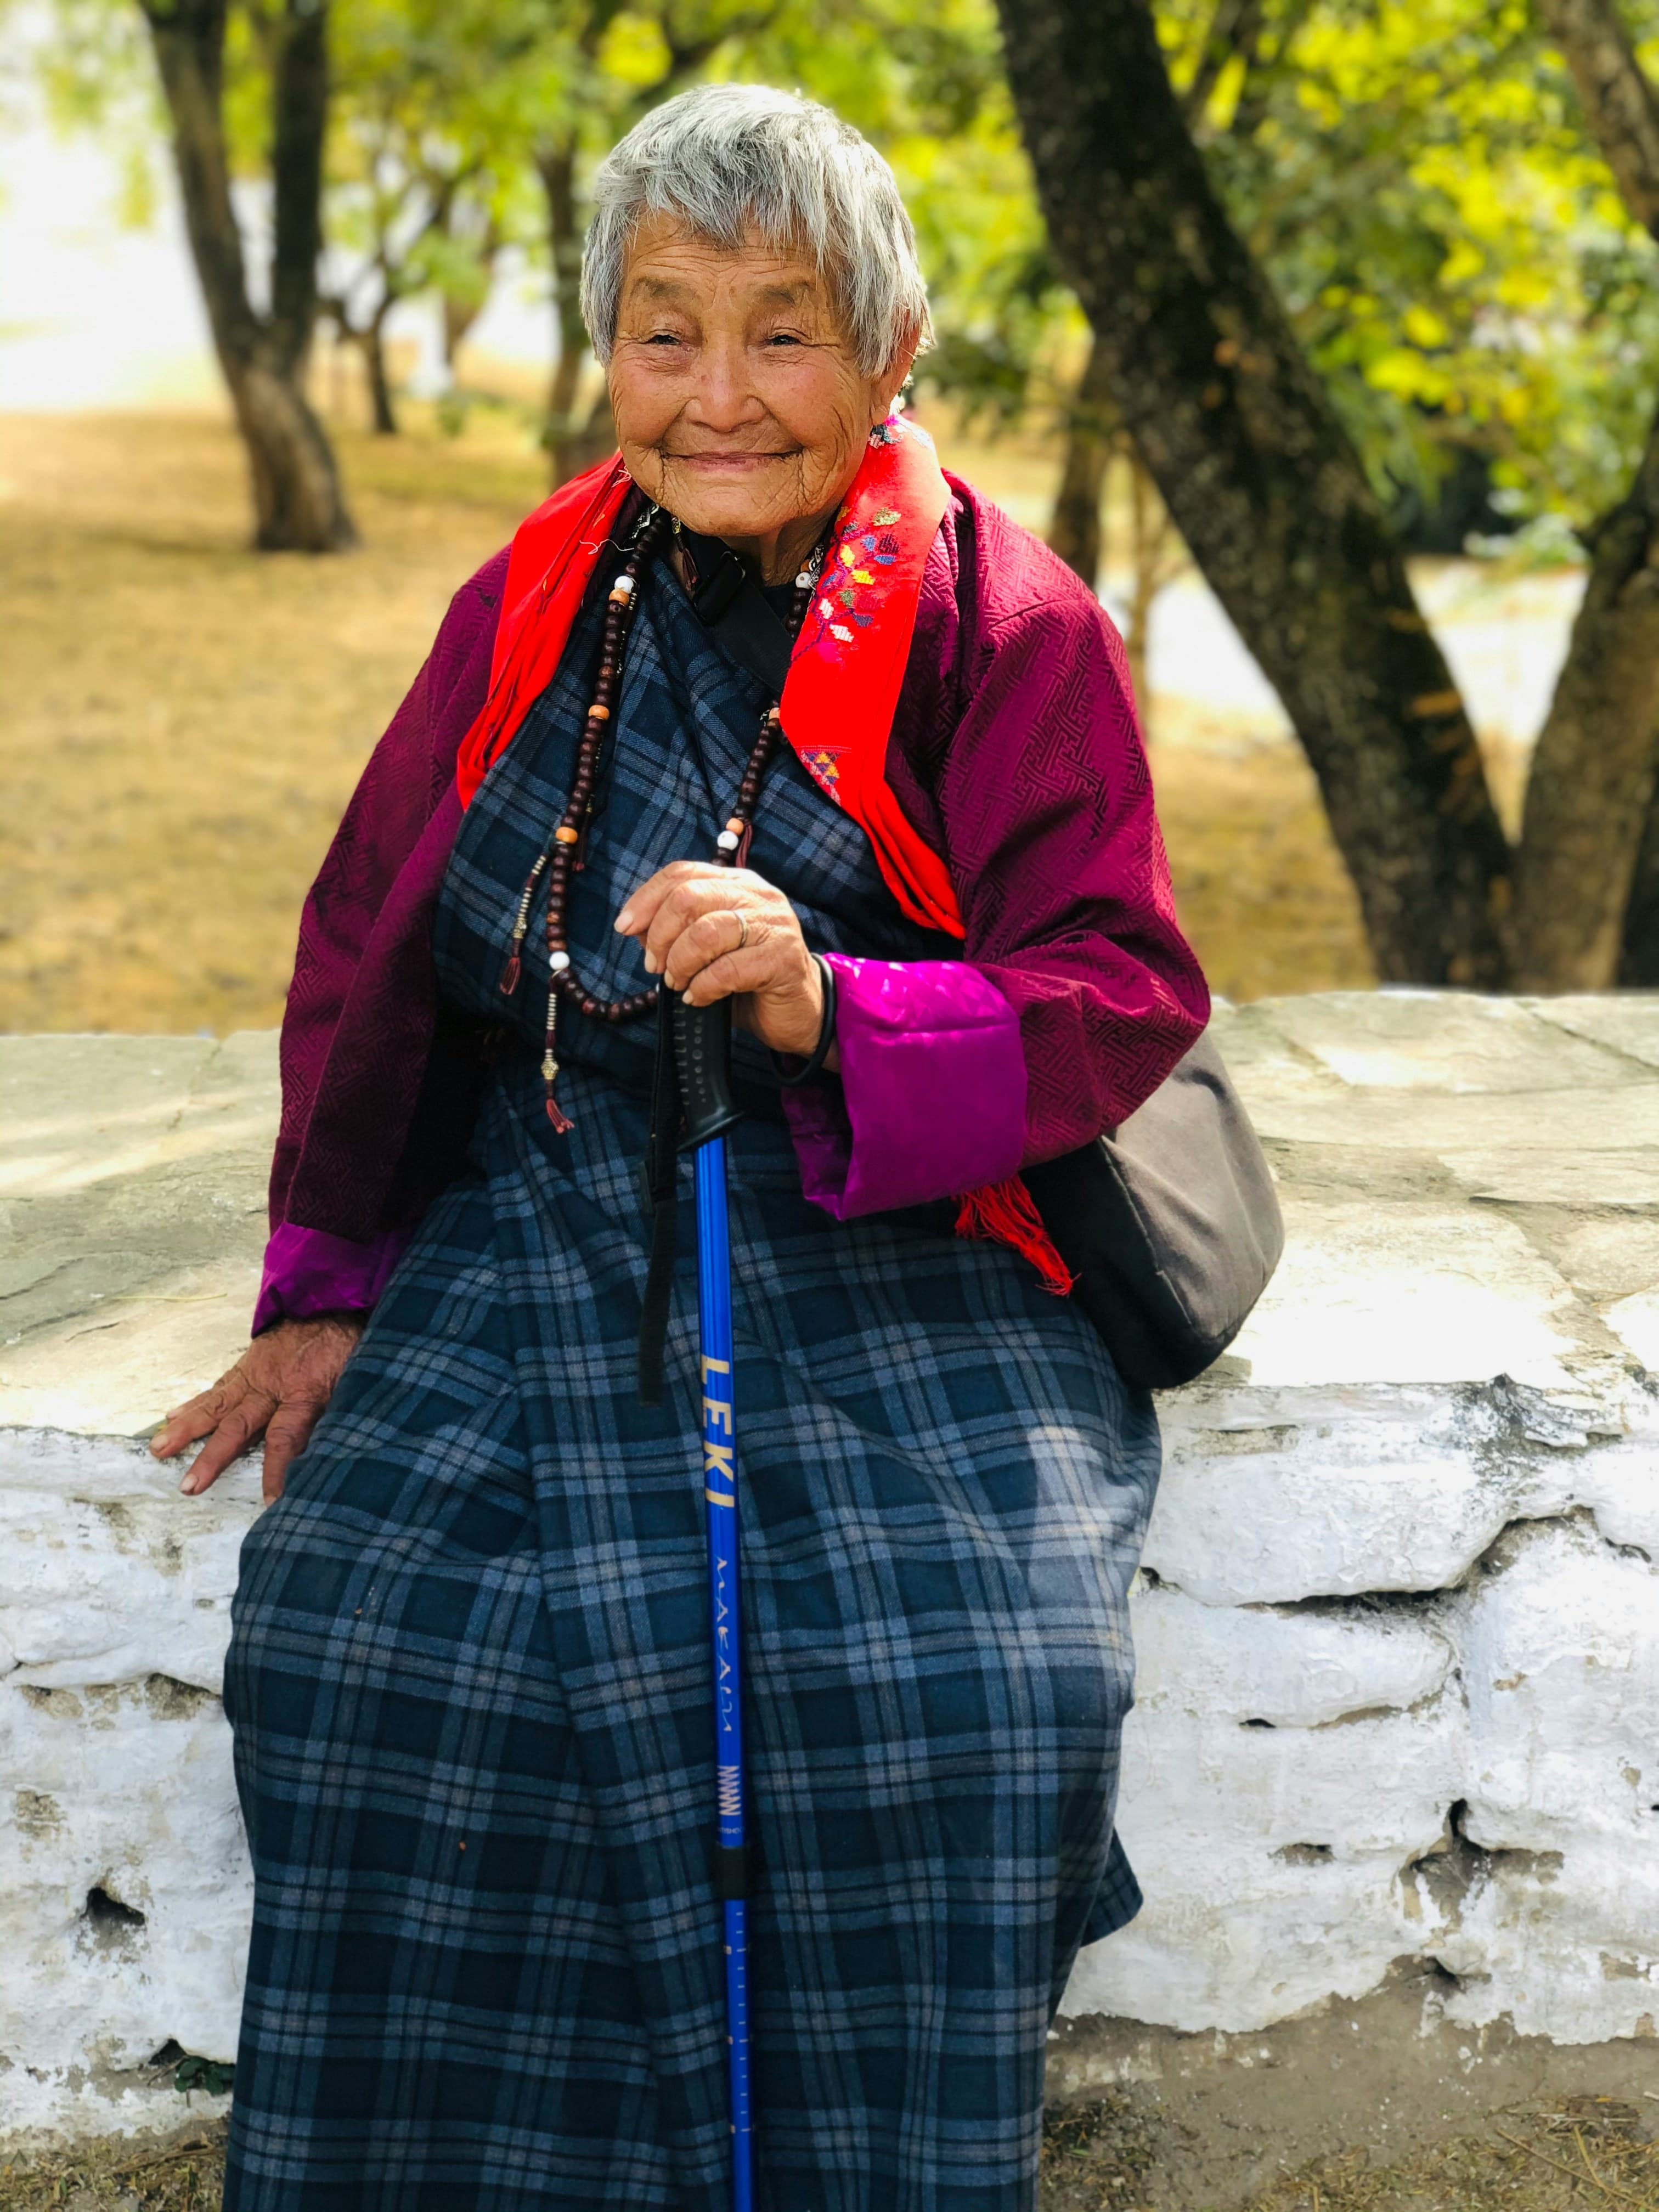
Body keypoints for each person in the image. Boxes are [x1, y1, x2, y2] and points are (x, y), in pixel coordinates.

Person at [153, 81, 1208, 2212]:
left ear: (892, 353)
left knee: (972, 1674)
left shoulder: (1008, 622)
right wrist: (326, 1278)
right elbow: (376, 926)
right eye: (666, 328)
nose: (719, 393)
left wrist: (838, 995)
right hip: (546, 1192)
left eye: (786, 329)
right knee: (359, 1635)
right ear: (609, 350)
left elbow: (1116, 985)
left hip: (894, 1218)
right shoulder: (539, 591)